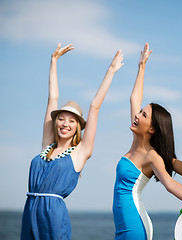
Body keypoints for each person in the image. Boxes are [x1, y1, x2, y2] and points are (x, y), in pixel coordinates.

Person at [21, 43, 124, 240]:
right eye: (61, 118)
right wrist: (53, 62)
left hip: (53, 217)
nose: (65, 123)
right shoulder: (47, 145)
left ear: (78, 126)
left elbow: (95, 107)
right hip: (30, 211)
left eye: (71, 120)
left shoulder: (80, 152)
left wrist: (111, 71)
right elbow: (52, 98)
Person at [112, 43, 182, 240]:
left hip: (134, 225)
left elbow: (170, 184)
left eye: (143, 114)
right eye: (139, 112)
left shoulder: (152, 156)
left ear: (152, 128)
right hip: (122, 225)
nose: (137, 115)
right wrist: (142, 67)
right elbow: (134, 99)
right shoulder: (136, 139)